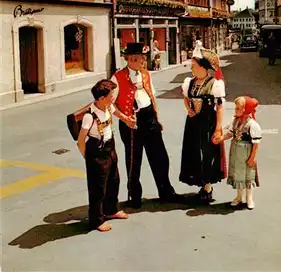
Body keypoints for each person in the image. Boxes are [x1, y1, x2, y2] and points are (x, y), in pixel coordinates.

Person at [111, 42, 178, 208]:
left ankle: (166, 191)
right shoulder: (117, 77)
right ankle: (134, 197)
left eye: (143, 58)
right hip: (131, 123)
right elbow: (110, 104)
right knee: (134, 161)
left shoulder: (146, 74)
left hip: (150, 119)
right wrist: (125, 118)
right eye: (141, 58)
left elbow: (151, 96)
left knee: (160, 157)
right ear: (132, 58)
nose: (143, 61)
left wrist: (157, 117)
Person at [77, 79, 129, 232]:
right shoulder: (89, 116)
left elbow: (116, 112)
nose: (113, 97)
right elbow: (81, 141)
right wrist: (89, 158)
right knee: (97, 189)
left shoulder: (108, 107)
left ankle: (111, 209)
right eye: (110, 95)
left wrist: (127, 120)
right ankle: (96, 220)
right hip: (97, 151)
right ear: (101, 98)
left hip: (109, 147)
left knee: (114, 180)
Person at [180, 48, 226, 204]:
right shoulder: (189, 82)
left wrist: (219, 127)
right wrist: (189, 109)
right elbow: (186, 98)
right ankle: (200, 182)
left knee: (207, 153)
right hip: (193, 122)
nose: (191, 68)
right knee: (194, 152)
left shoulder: (215, 84)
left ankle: (207, 186)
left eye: (193, 65)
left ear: (202, 67)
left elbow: (219, 107)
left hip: (208, 122)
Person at [214, 96, 261, 210]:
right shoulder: (235, 121)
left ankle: (249, 197)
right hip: (236, 151)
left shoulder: (252, 125)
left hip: (246, 151)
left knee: (248, 174)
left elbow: (256, 143)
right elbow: (230, 133)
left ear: (246, 110)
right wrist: (221, 138)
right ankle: (239, 197)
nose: (236, 110)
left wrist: (252, 157)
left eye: (238, 108)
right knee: (238, 174)